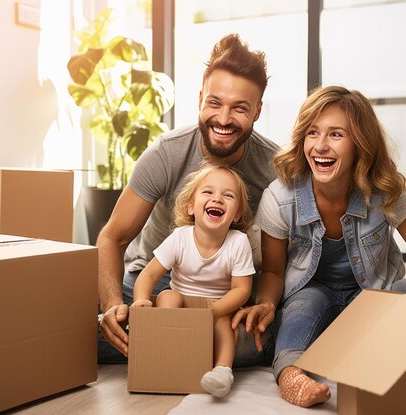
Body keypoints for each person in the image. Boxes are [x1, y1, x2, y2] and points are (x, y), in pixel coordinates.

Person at [232, 85, 406, 408]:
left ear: (360, 144)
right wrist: (268, 302)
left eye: (336, 134)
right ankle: (291, 373)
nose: (320, 146)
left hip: (372, 302)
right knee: (301, 306)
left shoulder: (384, 192)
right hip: (314, 297)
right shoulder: (280, 198)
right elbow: (272, 270)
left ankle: (380, 364)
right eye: (312, 133)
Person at [97, 33, 280, 365]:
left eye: (239, 108)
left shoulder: (273, 167)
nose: (223, 119)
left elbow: (278, 265)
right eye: (214, 103)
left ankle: (168, 347)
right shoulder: (166, 154)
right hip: (158, 281)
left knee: (263, 335)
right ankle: (175, 344)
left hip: (230, 288)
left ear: (257, 111)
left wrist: (264, 304)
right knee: (78, 329)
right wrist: (112, 306)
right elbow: (113, 236)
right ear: (200, 99)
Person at [131, 163, 254, 397]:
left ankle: (222, 370)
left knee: (225, 325)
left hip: (216, 306)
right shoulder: (180, 238)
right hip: (181, 302)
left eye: (228, 196)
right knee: (168, 296)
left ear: (237, 213)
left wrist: (216, 309)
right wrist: (140, 301)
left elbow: (242, 290)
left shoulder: (238, 242)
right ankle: (168, 348)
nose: (217, 199)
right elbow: (148, 274)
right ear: (190, 206)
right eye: (208, 192)